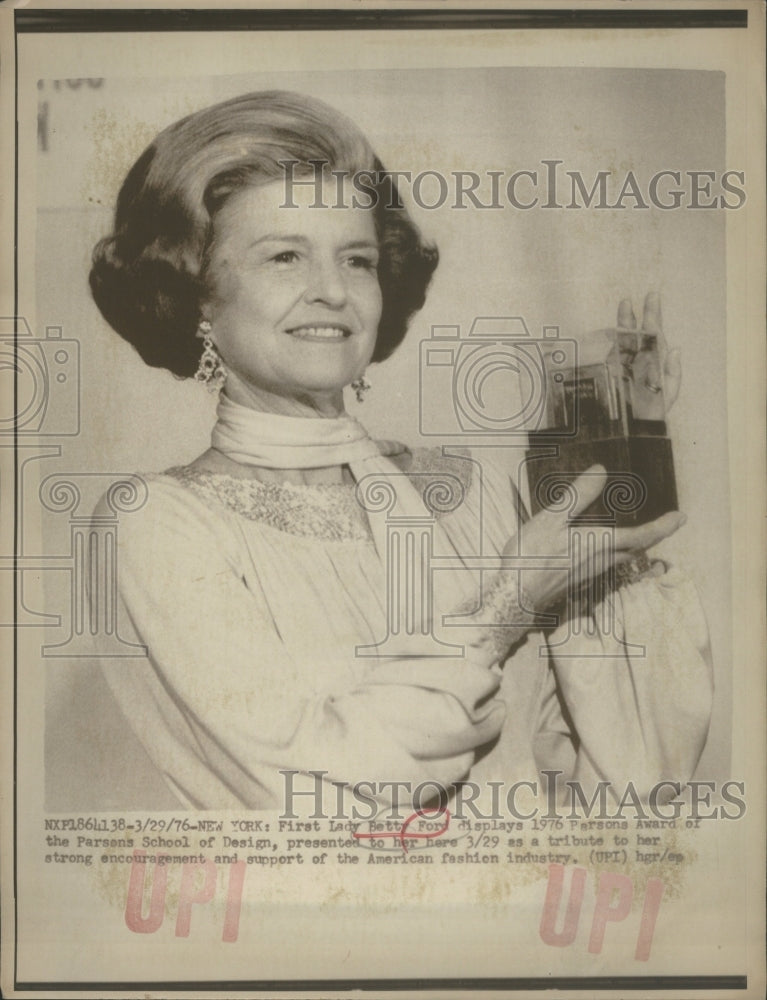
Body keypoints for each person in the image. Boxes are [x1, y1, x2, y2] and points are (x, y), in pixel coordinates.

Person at [87, 90, 712, 812]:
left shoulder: (468, 490)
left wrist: (622, 464)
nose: (333, 292)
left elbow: (624, 780)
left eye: (356, 260)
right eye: (285, 256)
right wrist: (508, 604)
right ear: (196, 294)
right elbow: (307, 794)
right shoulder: (158, 524)